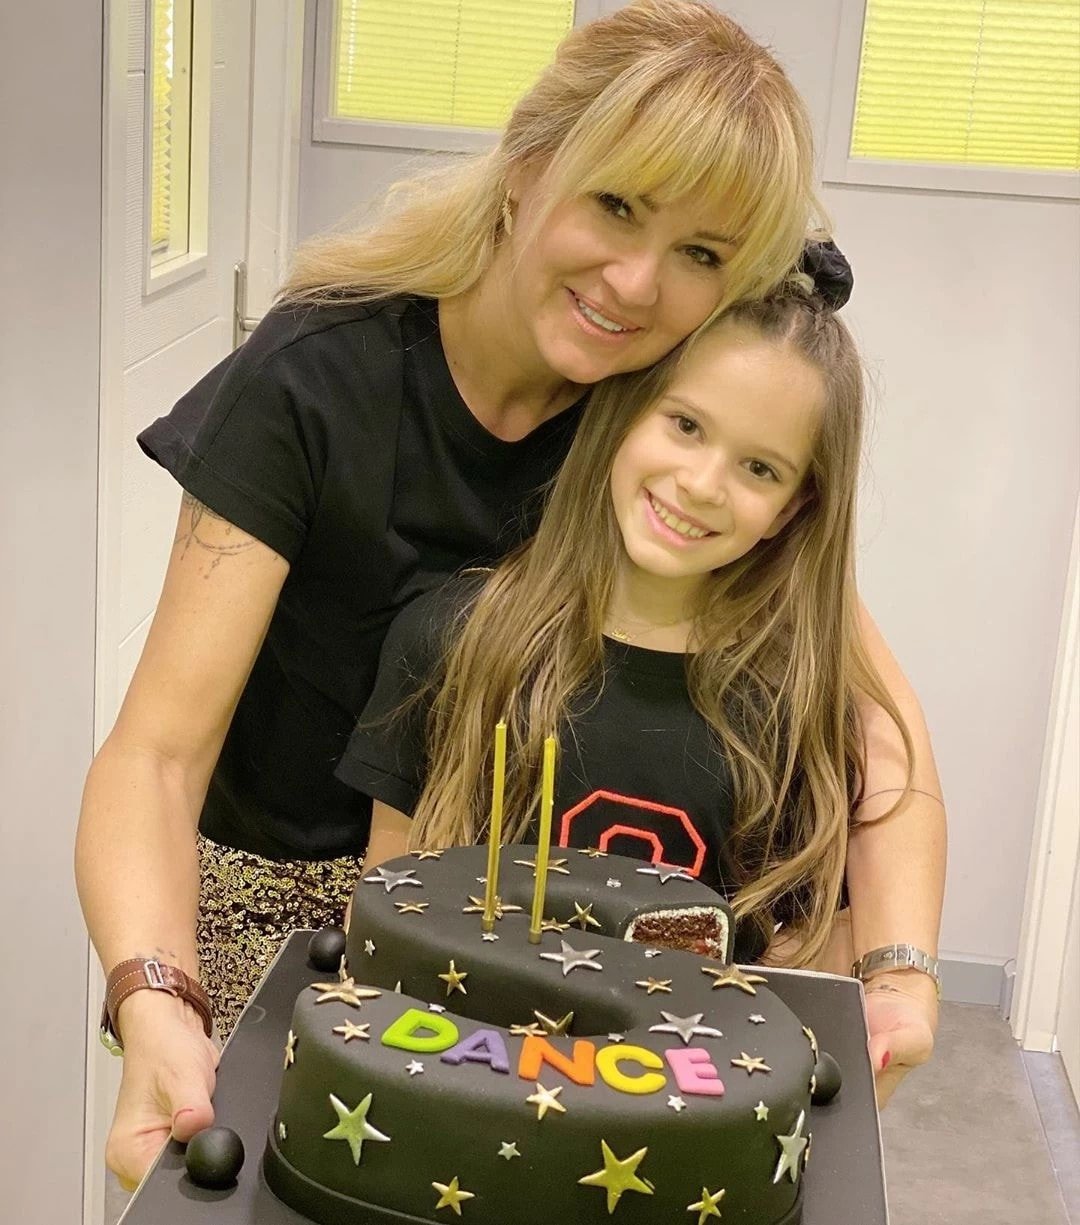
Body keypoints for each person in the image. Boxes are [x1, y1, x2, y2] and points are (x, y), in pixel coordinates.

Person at [73, 0, 938, 1191]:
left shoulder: (649, 418)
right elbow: (155, 760)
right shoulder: (312, 380)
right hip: (281, 927)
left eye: (699, 254)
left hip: (519, 961)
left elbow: (882, 740)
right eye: (615, 205)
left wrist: (897, 976)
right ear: (529, 166)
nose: (635, 282)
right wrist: (156, 997)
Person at [338, 279, 944, 1105]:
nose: (701, 482)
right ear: (622, 410)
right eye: (685, 424)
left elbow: (813, 977)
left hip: (685, 1125)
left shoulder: (798, 714)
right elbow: (384, 913)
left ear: (792, 507)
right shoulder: (450, 641)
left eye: (758, 467)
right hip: (467, 1103)